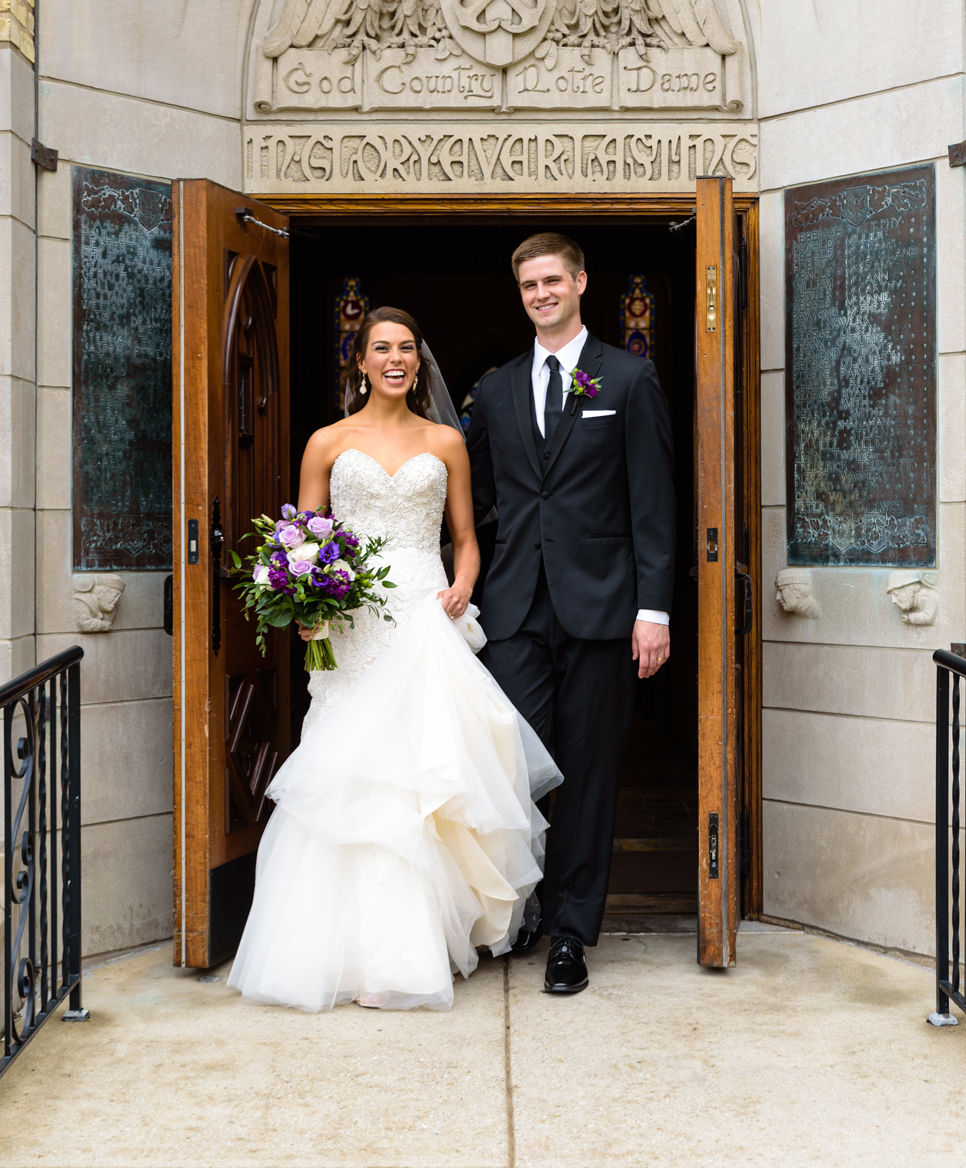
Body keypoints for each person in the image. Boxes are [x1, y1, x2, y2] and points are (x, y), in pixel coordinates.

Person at [229, 309, 560, 1012]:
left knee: (420, 775)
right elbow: (301, 538)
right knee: (348, 772)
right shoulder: (327, 441)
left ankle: (408, 954)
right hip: (350, 627)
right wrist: (308, 599)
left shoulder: (447, 441)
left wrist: (463, 583)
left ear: (420, 363)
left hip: (420, 614)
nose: (395, 359)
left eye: (407, 348)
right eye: (382, 348)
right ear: (360, 360)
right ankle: (334, 953)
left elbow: (466, 537)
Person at [466, 232, 677, 996]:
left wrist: (652, 608)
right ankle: (517, 910)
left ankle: (570, 932)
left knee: (586, 774)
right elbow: (477, 501)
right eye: (529, 285)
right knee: (511, 768)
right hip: (517, 608)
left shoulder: (628, 378)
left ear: (581, 281)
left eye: (553, 280)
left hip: (603, 611)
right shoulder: (493, 391)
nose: (541, 294)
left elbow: (653, 501)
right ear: (519, 293)